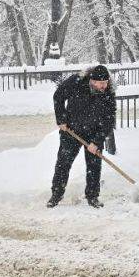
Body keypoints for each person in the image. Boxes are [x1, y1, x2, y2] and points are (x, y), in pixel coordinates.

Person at [48, 65, 116, 208]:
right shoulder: (76, 81)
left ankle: (92, 196)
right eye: (101, 83)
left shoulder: (108, 92)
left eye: (106, 83)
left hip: (94, 133)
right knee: (63, 163)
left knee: (94, 166)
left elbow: (109, 120)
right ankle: (56, 194)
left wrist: (96, 142)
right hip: (71, 131)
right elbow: (58, 96)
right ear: (92, 80)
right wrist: (61, 120)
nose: (104, 86)